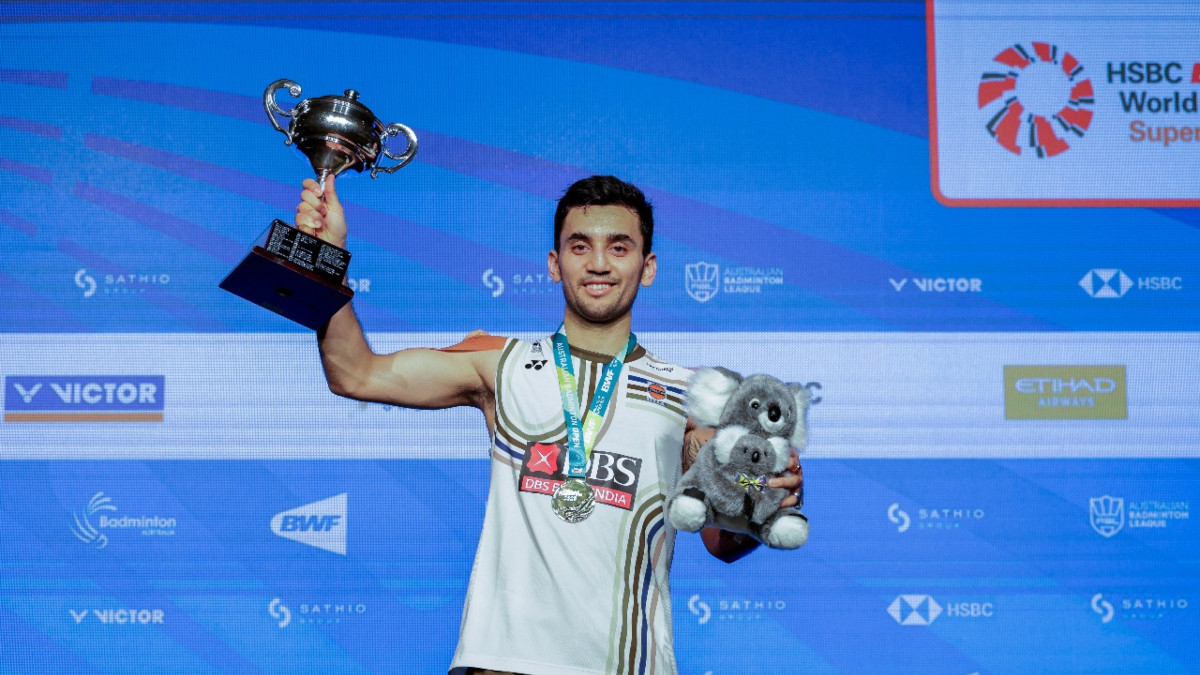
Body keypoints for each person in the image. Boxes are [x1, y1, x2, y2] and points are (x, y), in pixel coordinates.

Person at [295, 174, 803, 675]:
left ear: (647, 268)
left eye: (619, 247)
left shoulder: (690, 396)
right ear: (554, 264)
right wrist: (327, 256)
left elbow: (722, 541)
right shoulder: (498, 363)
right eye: (580, 246)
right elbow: (355, 373)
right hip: (501, 665)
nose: (599, 263)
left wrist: (766, 498)